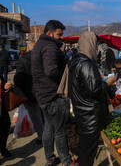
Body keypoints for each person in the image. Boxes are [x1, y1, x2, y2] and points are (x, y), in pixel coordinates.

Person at [31, 20, 77, 166]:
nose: (61, 37)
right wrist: (64, 82)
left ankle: (50, 158)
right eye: (59, 34)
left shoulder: (39, 44)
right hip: (53, 95)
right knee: (61, 130)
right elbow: (51, 71)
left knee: (49, 128)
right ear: (49, 33)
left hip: (43, 95)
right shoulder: (50, 46)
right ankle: (66, 161)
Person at [68, 32, 116, 166]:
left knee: (85, 149)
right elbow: (95, 91)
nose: (97, 49)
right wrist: (108, 82)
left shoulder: (75, 61)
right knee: (87, 153)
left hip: (82, 113)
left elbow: (86, 87)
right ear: (90, 44)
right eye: (95, 45)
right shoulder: (86, 64)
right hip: (91, 117)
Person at [14, 42, 44, 144]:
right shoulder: (41, 58)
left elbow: (19, 78)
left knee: (36, 116)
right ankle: (46, 134)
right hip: (42, 90)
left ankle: (42, 137)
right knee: (42, 114)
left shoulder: (23, 59)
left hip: (30, 92)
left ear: (28, 49)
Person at [0, 78, 13, 158]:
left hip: (2, 108)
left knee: (6, 126)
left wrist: (6, 84)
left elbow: (2, 81)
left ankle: (2, 148)